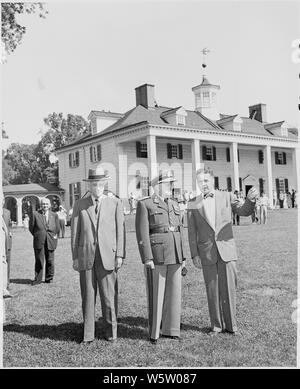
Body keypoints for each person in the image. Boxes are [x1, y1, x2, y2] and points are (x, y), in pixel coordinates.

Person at [187, 167, 258, 336]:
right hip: (207, 253)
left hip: (227, 250)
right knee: (212, 291)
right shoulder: (193, 203)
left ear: (212, 180)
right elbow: (191, 232)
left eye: (205, 180)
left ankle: (231, 326)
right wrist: (194, 254)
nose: (203, 184)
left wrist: (250, 200)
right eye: (199, 181)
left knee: (229, 289)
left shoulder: (227, 196)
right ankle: (216, 326)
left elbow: (244, 211)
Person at [71, 166, 125, 343]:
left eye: (100, 184)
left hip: (108, 257)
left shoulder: (115, 203)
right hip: (86, 256)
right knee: (88, 297)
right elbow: (75, 234)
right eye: (94, 184)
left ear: (105, 184)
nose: (97, 187)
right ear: (89, 186)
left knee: (109, 297)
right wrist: (75, 257)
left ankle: (111, 332)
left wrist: (120, 255)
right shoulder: (80, 205)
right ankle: (88, 334)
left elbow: (120, 232)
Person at [135, 170, 188, 344]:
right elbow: (142, 233)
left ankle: (171, 330)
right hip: (157, 254)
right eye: (167, 184)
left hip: (175, 252)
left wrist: (183, 255)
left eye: (172, 184)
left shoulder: (174, 203)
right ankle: (154, 332)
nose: (171, 187)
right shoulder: (146, 204)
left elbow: (179, 229)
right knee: (157, 293)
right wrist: (147, 257)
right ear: (157, 186)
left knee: (174, 293)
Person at [29, 198, 60, 285]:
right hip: (39, 240)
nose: (45, 206)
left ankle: (49, 278)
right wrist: (38, 235)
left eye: (46, 204)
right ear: (40, 205)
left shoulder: (54, 215)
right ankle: (38, 279)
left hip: (50, 240)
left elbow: (57, 228)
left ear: (49, 205)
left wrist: (53, 236)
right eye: (43, 204)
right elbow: (31, 227)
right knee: (39, 260)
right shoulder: (35, 214)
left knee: (50, 260)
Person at [3, 203, 12, 289]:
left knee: (7, 261)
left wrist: (10, 233)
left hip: (6, 242)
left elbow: (9, 225)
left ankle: (6, 283)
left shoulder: (7, 212)